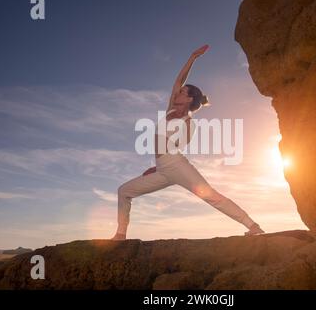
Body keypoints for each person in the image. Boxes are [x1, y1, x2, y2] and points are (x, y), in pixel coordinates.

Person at [111, 45, 265, 240]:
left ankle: (252, 225)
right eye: (179, 92)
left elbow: (171, 147)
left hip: (176, 165)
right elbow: (178, 80)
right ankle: (120, 234)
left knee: (210, 196)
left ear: (190, 99)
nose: (177, 93)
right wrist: (192, 57)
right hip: (163, 169)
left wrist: (162, 164)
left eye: (182, 93)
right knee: (124, 191)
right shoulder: (169, 110)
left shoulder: (189, 123)